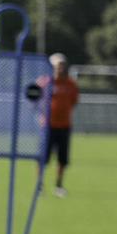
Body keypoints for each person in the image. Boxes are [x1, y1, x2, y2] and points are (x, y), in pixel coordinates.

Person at [35, 52, 78, 196]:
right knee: (42, 157)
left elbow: (73, 101)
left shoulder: (70, 83)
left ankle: (58, 186)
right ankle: (39, 186)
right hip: (47, 126)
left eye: (62, 65)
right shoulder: (44, 81)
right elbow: (32, 97)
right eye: (57, 65)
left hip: (64, 125)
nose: (60, 68)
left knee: (62, 159)